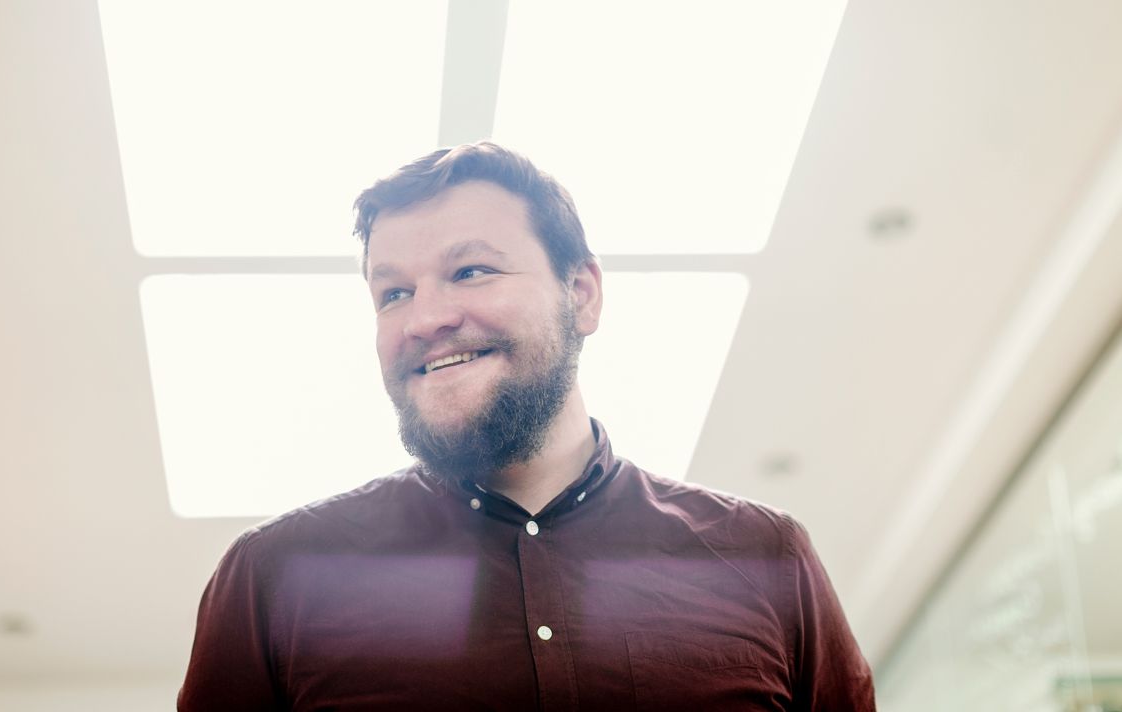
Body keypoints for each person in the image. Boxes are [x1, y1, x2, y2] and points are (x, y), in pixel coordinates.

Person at [178, 142, 876, 711]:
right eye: (394, 293)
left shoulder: (765, 557)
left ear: (582, 294)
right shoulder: (273, 577)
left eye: (470, 271)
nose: (424, 319)